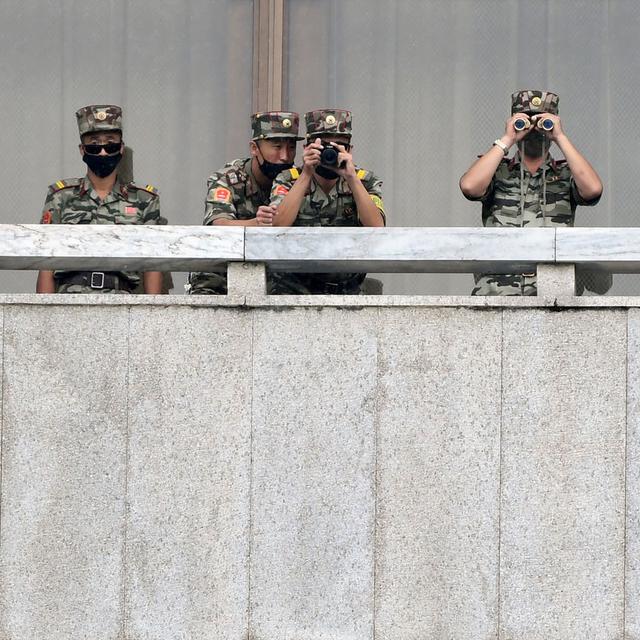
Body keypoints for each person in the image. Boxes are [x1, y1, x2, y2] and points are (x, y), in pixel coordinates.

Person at [459, 90, 603, 296]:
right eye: (525, 122)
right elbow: (470, 186)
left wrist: (560, 137)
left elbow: (593, 189)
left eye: (542, 122)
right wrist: (507, 139)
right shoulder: (498, 171)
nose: (534, 130)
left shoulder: (565, 174)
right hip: (496, 293)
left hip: (554, 295)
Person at [36, 104, 163, 294]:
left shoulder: (144, 199)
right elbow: (46, 259)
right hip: (70, 299)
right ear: (82, 150)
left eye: (110, 143)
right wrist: (44, 315)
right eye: (94, 145)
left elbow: (152, 263)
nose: (103, 152)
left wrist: (153, 315)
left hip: (122, 301)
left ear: (121, 148)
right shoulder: (61, 196)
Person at [269, 109, 385, 294]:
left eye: (339, 146)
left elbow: (377, 228)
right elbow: (277, 226)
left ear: (349, 151)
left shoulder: (364, 180)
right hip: (293, 290)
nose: (330, 153)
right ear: (308, 149)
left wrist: (352, 178)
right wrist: (306, 173)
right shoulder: (288, 179)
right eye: (324, 147)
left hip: (348, 291)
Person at [188, 111, 302, 294]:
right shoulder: (228, 178)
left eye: (291, 148)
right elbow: (218, 225)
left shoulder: (297, 181)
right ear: (254, 148)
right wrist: (256, 224)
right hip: (222, 276)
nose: (285, 156)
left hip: (278, 278)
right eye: (277, 147)